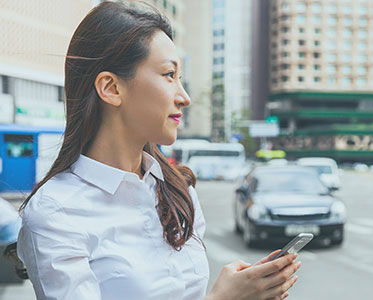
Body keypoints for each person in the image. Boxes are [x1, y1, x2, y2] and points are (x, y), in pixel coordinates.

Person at [5, 1, 301, 299]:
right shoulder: (56, 212)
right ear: (111, 88)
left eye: (179, 78)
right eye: (168, 75)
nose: (183, 97)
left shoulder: (178, 190)